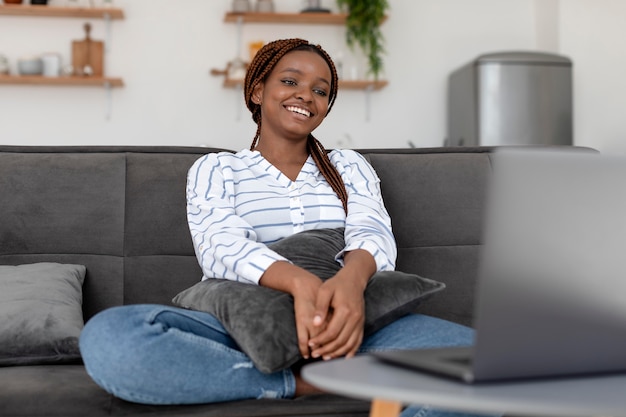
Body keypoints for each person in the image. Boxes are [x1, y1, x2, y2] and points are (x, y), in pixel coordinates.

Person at [79, 38, 493, 417]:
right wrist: (300, 284)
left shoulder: (348, 166)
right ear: (257, 92)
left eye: (320, 90)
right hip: (244, 324)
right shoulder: (218, 168)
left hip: (350, 322)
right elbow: (219, 244)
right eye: (290, 81)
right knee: (110, 338)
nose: (306, 95)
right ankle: (300, 383)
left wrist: (349, 285)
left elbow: (372, 230)